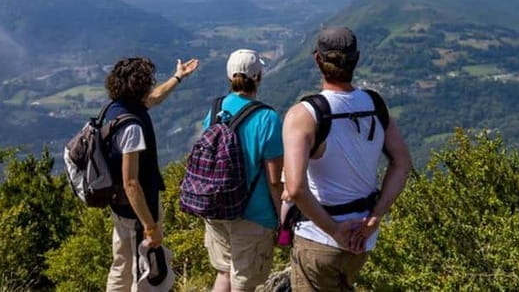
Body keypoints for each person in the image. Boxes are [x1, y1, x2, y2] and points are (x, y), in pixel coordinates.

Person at [283, 26, 412, 291]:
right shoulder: (375, 105)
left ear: (317, 59)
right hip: (363, 238)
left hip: (318, 237)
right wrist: (375, 217)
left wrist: (333, 229)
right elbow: (402, 163)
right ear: (357, 58)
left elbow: (295, 188)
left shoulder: (304, 115)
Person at [105, 56, 199, 292]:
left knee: (122, 262)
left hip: (118, 205)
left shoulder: (116, 109)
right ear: (141, 85)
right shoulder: (132, 127)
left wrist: (178, 77)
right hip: (138, 209)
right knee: (144, 269)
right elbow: (131, 182)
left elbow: (155, 98)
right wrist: (149, 225)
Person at [203, 49, 284, 292]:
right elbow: (273, 179)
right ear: (258, 77)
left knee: (224, 273)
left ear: (229, 77)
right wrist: (283, 217)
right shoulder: (267, 118)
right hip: (253, 214)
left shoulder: (215, 109)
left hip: (216, 208)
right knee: (245, 284)